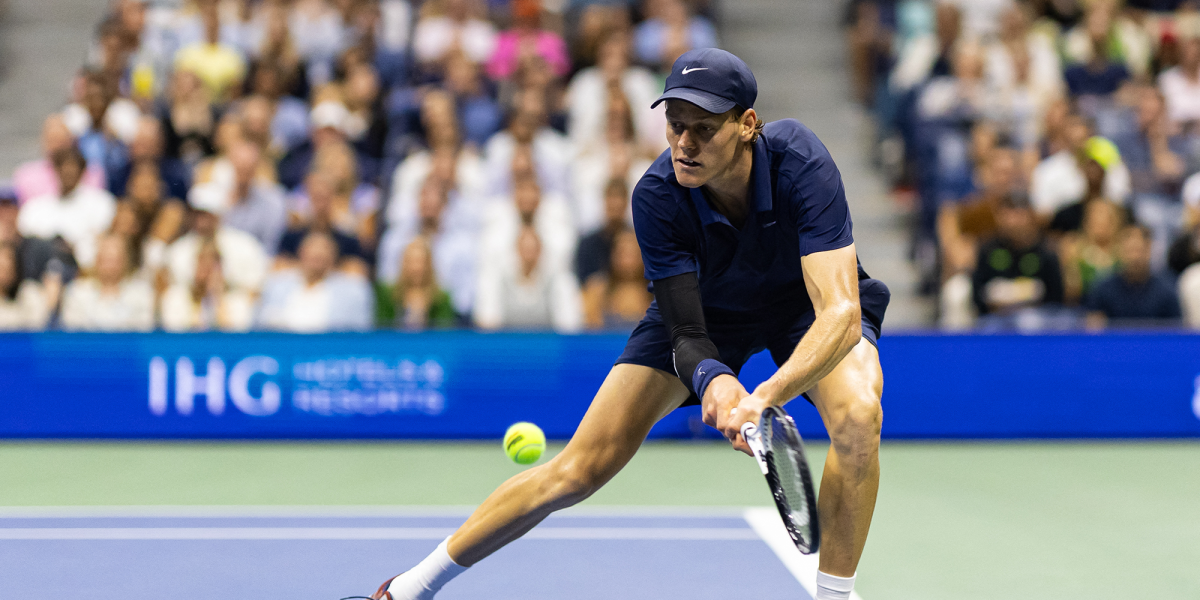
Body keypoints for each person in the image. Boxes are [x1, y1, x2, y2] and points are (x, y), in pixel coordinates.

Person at [361, 48, 889, 600]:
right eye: (675, 126)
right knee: (577, 470)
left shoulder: (799, 159)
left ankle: (833, 596)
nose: (685, 144)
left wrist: (764, 396)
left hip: (800, 304)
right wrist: (714, 379)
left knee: (859, 415)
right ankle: (408, 588)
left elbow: (841, 312)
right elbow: (686, 333)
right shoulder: (658, 195)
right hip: (707, 316)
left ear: (747, 125)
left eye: (704, 129)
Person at [18, 146, 118, 271]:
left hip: (87, 273)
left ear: (82, 171)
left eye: (73, 168)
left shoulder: (102, 203)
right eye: (63, 167)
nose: (68, 172)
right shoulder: (34, 208)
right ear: (55, 170)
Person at [256, 230, 374, 332]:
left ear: (334, 256)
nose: (318, 253)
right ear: (300, 253)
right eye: (312, 248)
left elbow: (359, 333)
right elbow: (259, 324)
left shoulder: (353, 290)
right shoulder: (276, 285)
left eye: (324, 249)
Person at [1085, 224, 1182, 328]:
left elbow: (1174, 334)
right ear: (1120, 250)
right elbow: (1093, 332)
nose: (1135, 257)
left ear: (1148, 250)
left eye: (1139, 250)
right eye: (1130, 250)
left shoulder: (1166, 291)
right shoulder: (1102, 290)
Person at [59, 234, 155, 332]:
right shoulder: (77, 291)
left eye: (115, 259)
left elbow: (143, 329)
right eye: (106, 259)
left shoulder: (141, 293)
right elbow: (73, 330)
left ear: (126, 260)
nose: (110, 265)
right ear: (97, 259)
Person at [378, 236, 459, 330]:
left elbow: (445, 334)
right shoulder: (387, 294)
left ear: (429, 265)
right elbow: (380, 331)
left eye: (421, 262)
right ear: (403, 263)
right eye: (411, 261)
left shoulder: (442, 298)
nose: (416, 268)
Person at [581, 227, 652, 330]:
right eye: (622, 253)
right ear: (612, 255)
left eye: (633, 253)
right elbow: (590, 333)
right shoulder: (596, 289)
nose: (627, 261)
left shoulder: (658, 293)